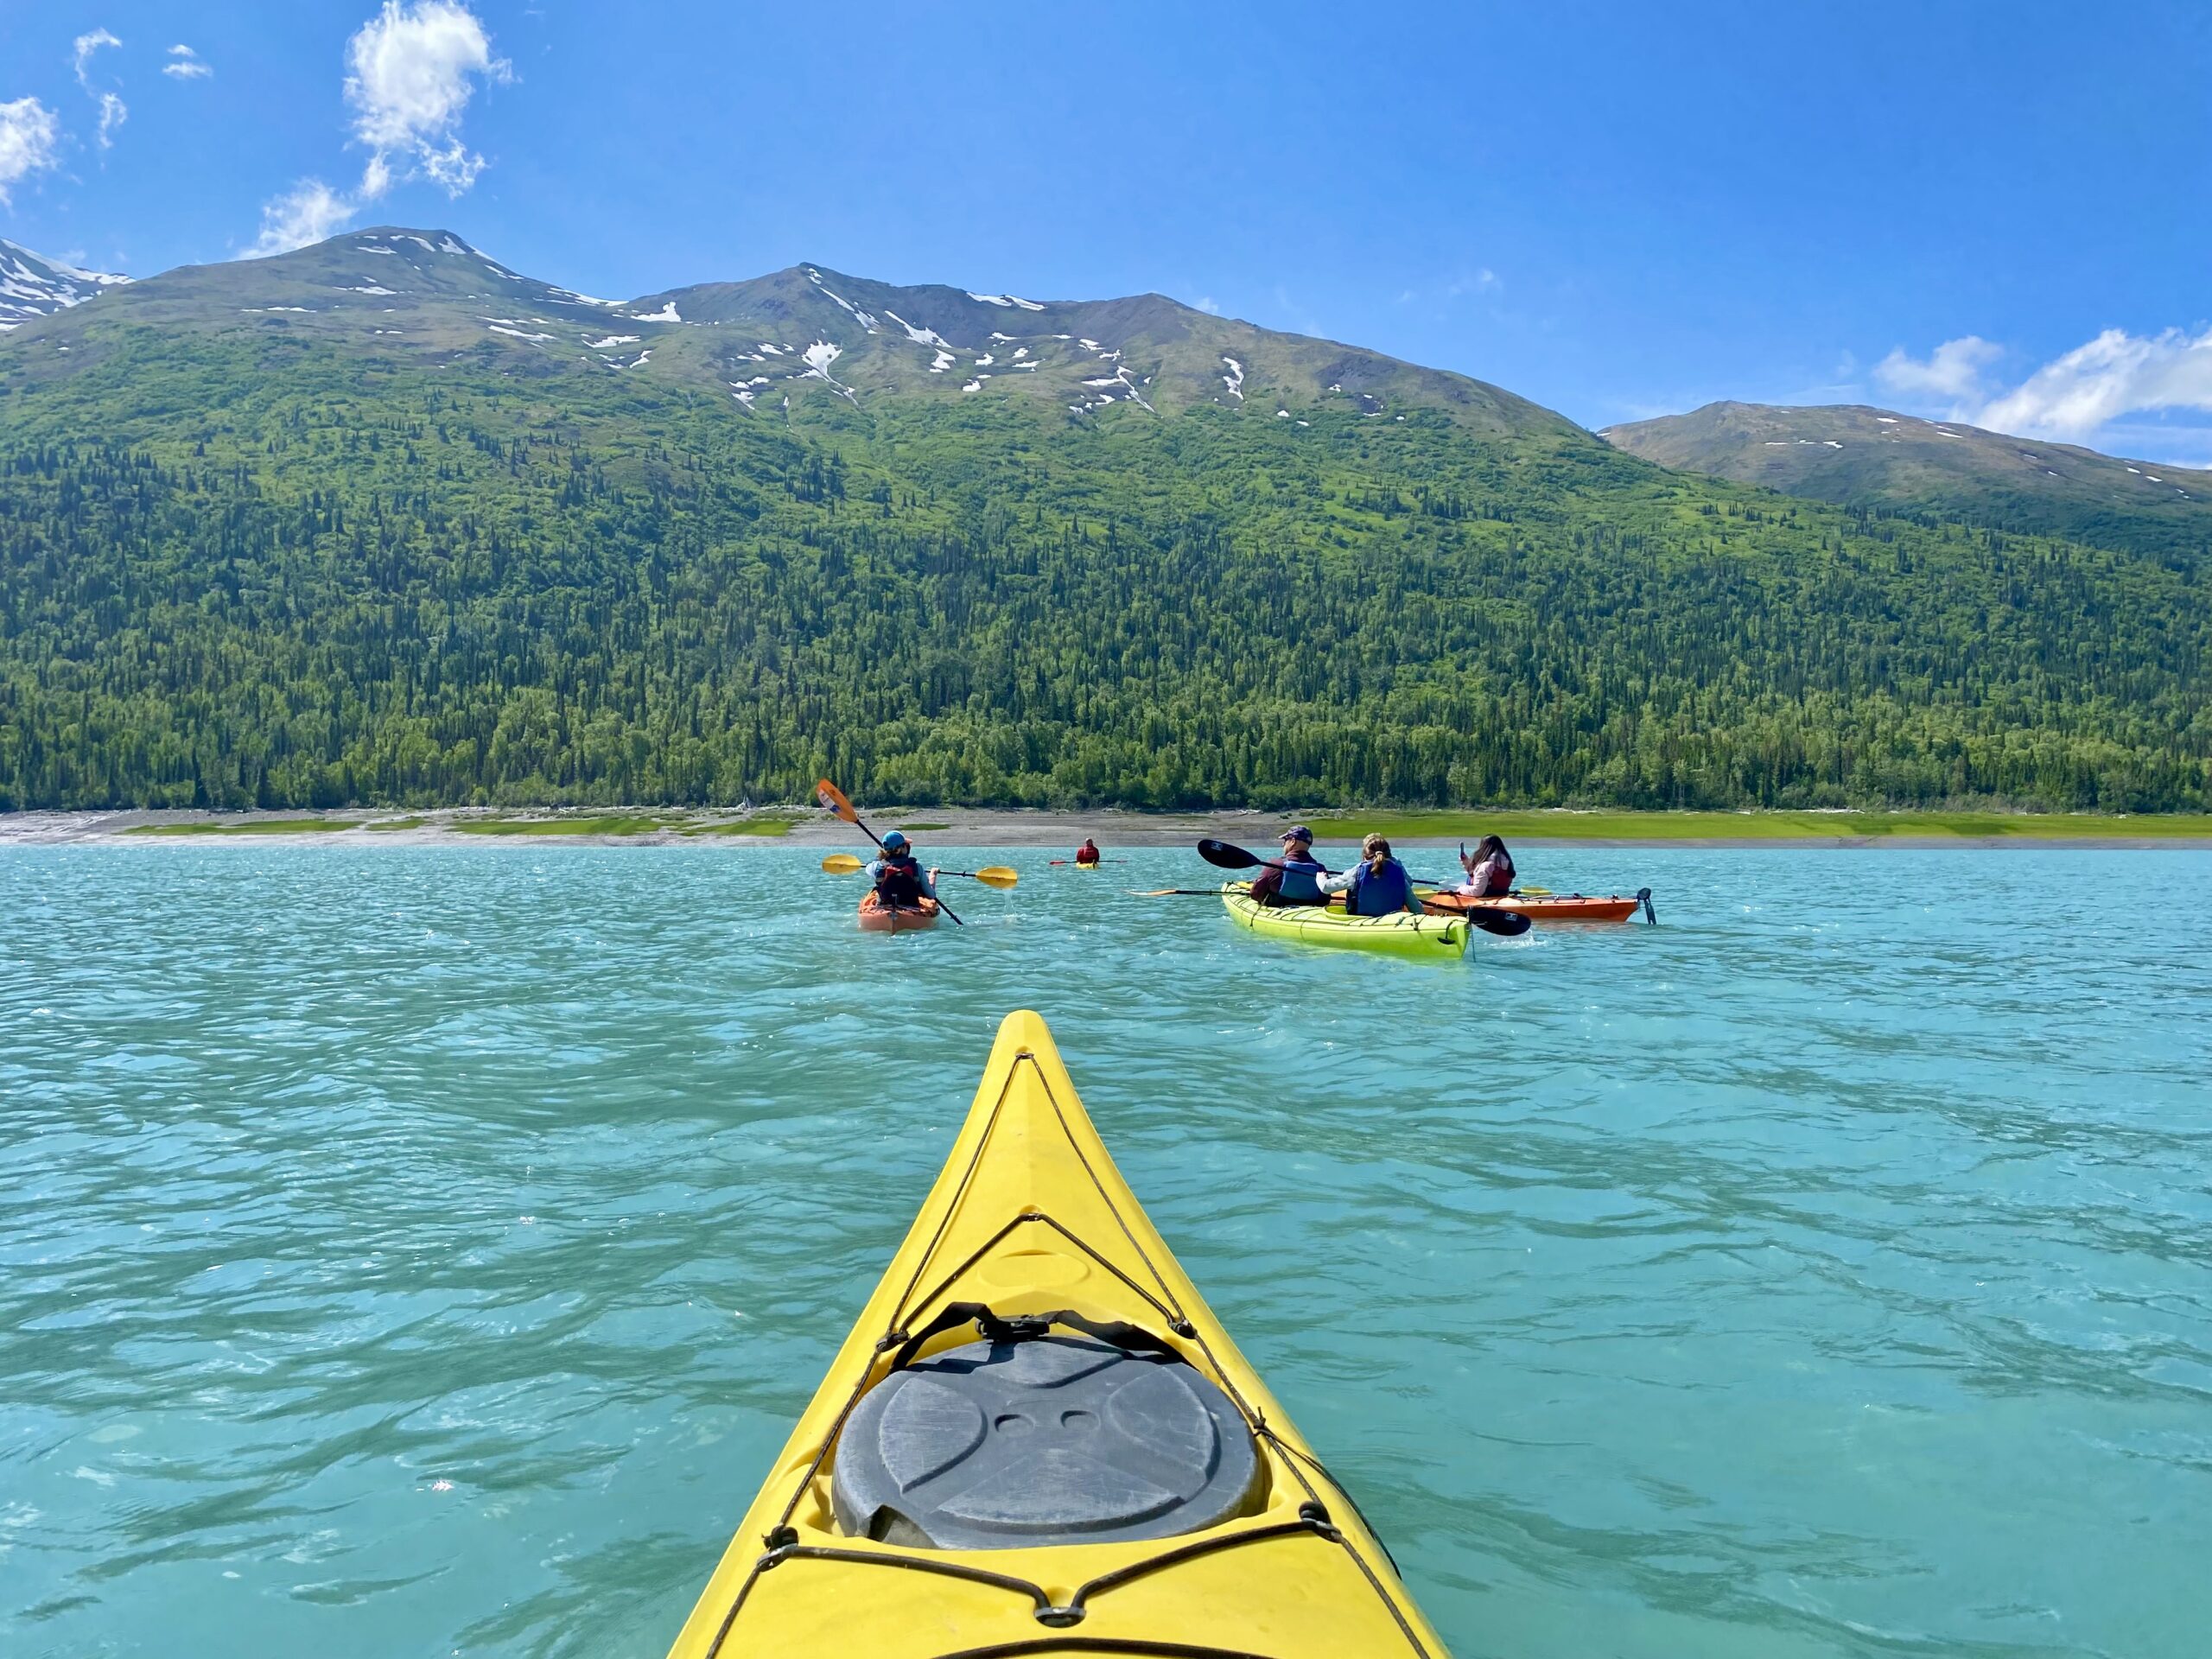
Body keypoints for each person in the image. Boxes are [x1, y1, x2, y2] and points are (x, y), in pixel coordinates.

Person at [1321, 834, 1421, 916]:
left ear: (1364, 856)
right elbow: (1417, 910)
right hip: (1391, 923)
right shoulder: (1399, 874)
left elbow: (1326, 888)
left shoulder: (1356, 872)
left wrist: (1321, 877)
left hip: (1359, 922)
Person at [1247, 824, 1329, 908]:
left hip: (1279, 914)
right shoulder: (1321, 869)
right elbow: (1325, 899)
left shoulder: (1275, 865)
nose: (1283, 844)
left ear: (1293, 841)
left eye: (1286, 840)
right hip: (1309, 914)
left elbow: (1256, 894)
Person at [866, 830, 938, 906]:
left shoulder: (877, 866)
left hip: (885, 906)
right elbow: (931, 895)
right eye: (906, 845)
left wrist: (880, 858)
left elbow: (868, 865)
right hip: (911, 908)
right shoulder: (917, 867)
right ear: (902, 848)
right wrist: (933, 874)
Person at [1457, 834, 1516, 898]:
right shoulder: (1508, 862)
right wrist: (1467, 863)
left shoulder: (1485, 866)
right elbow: (1474, 874)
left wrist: (1461, 889)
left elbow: (1477, 891)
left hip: (1487, 897)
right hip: (1503, 894)